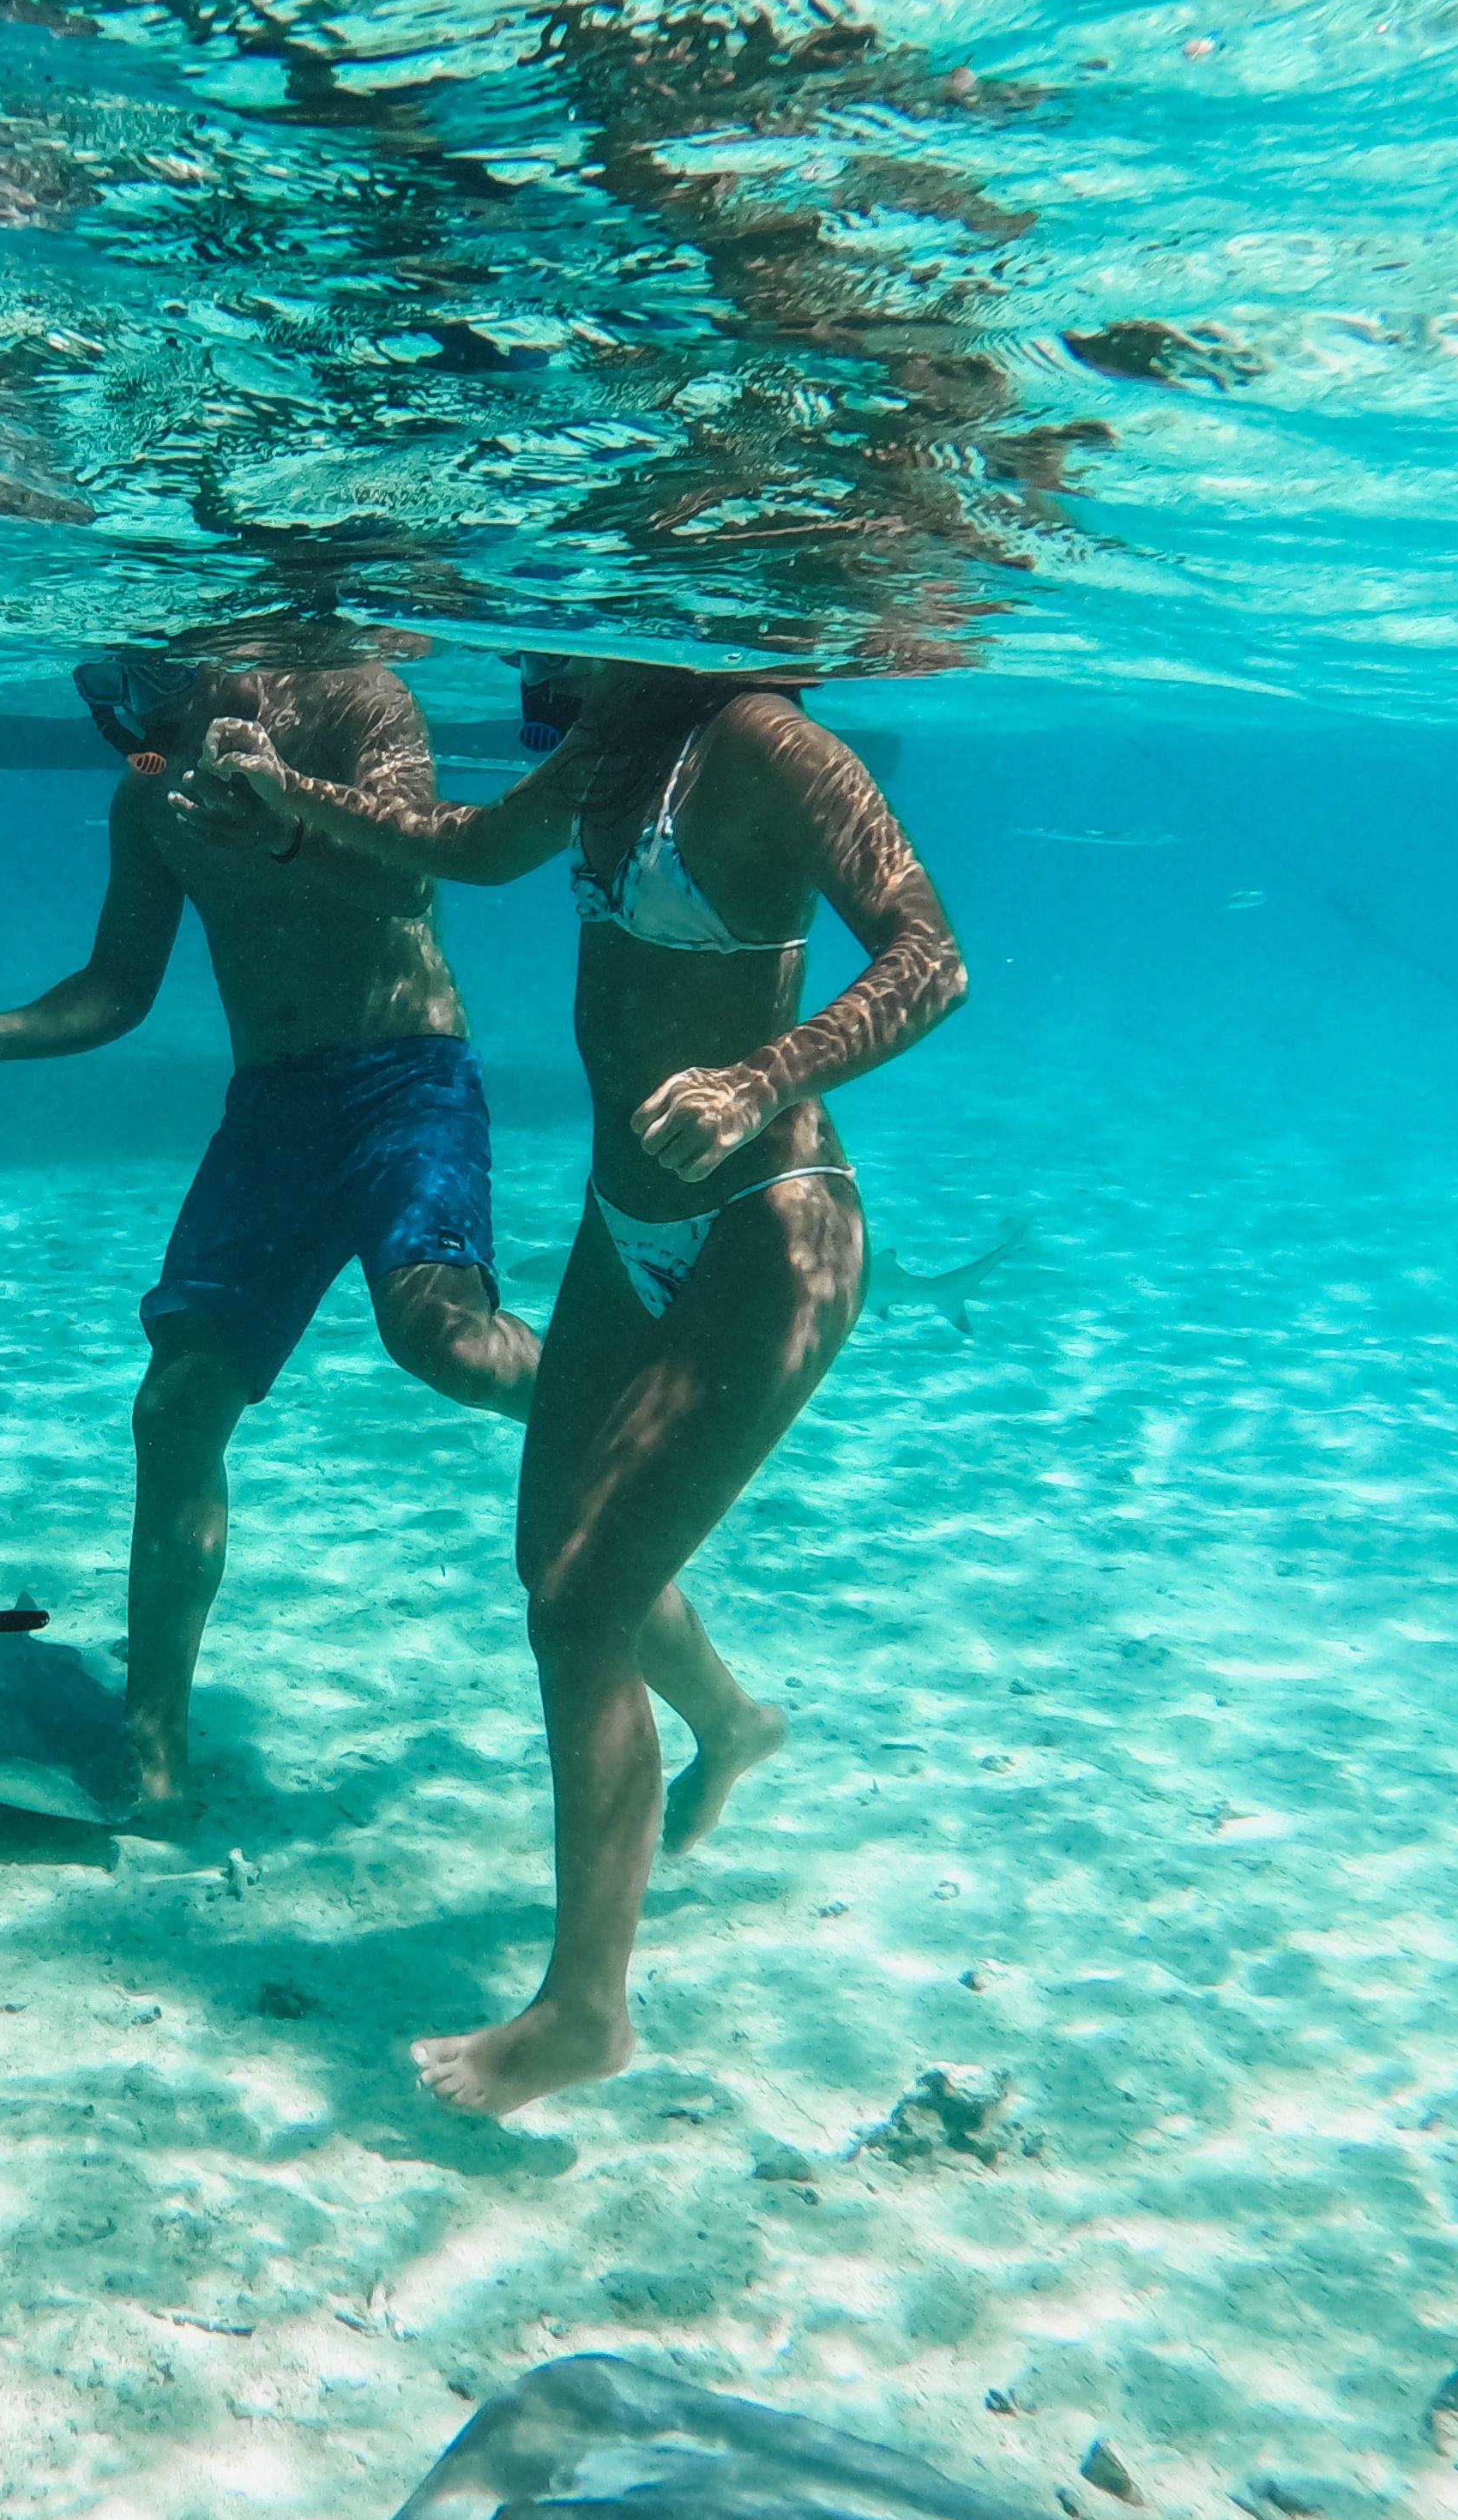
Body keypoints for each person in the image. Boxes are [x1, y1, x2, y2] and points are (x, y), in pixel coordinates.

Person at [203, 654, 969, 2117]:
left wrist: (757, 1080)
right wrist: (277, 788)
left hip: (771, 1223)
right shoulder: (626, 732)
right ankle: (733, 1725)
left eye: (561, 634)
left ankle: (584, 2013)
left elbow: (930, 957)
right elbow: (476, 848)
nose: (531, 655)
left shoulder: (765, 743)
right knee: (554, 1569)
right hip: (627, 1228)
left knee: (580, 1607)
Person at [0, 650, 539, 1825]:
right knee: (177, 1403)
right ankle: (153, 1737)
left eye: (144, 690)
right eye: (110, 695)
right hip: (274, 1109)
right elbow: (115, 987)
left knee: (447, 1349)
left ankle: (617, 1409)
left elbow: (415, 869)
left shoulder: (354, 697)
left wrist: (285, 821)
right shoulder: (150, 799)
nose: (131, 718)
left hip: (408, 1080)